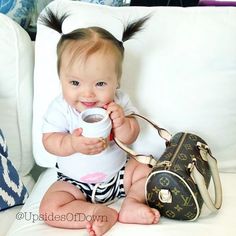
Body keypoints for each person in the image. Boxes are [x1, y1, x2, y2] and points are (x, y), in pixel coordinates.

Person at [39, 9, 160, 236]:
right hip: (74, 184)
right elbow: (49, 141)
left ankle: (132, 203)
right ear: (61, 79)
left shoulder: (119, 102)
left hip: (120, 175)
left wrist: (122, 123)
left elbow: (131, 135)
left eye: (100, 84)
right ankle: (96, 213)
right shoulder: (61, 108)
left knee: (148, 172)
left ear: (116, 82)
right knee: (49, 209)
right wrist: (72, 144)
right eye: (75, 82)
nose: (87, 93)